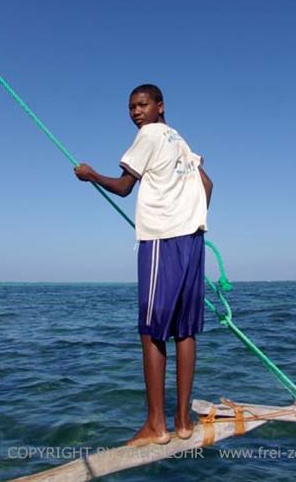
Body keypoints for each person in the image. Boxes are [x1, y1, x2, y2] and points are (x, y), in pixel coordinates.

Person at [74, 84, 213, 447]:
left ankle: (156, 425)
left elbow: (123, 187)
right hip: (192, 241)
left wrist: (90, 175)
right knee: (184, 330)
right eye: (131, 107)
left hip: (161, 241)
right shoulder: (180, 140)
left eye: (142, 105)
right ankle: (182, 422)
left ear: (160, 107)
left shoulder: (148, 135)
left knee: (151, 330)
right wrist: (189, 215)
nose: (136, 112)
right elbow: (207, 184)